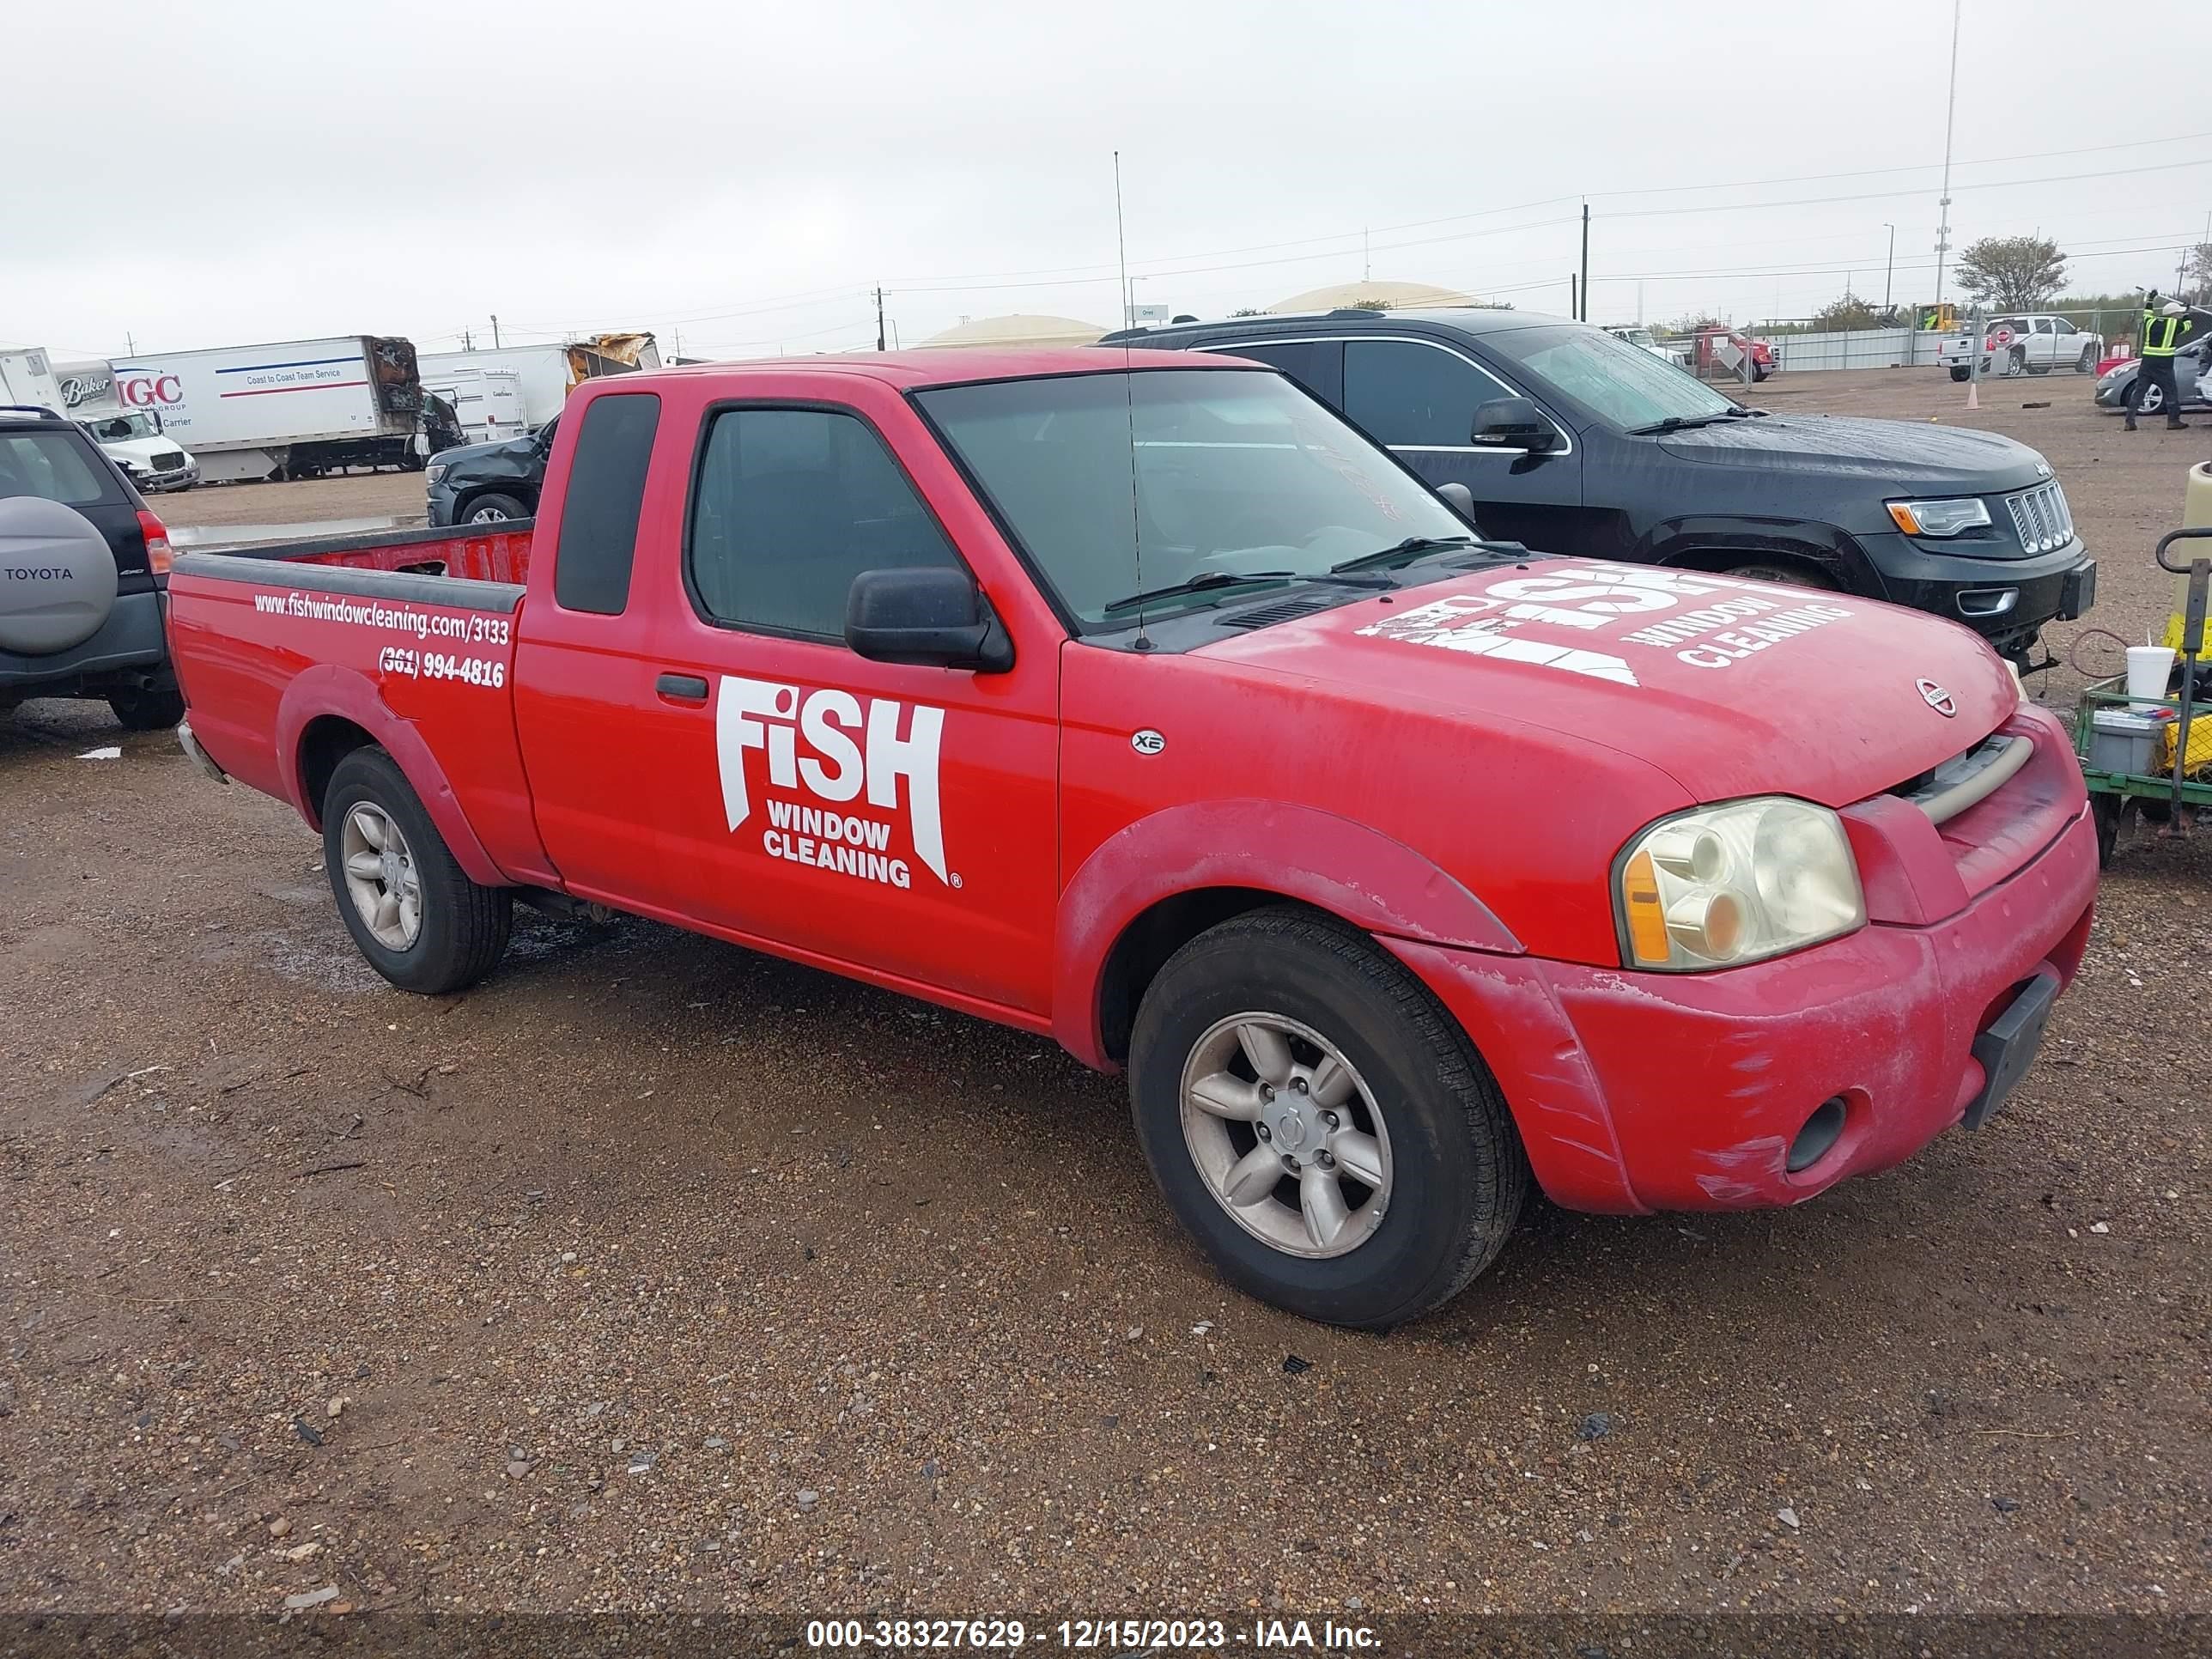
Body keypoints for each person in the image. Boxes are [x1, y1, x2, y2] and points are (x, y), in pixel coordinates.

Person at [2124, 293, 2203, 430]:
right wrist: (2187, 312)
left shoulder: (2150, 322)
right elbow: (2188, 326)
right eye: (2178, 314)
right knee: (2170, 392)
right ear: (2173, 314)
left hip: (2147, 363)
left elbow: (2147, 313)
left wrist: (2150, 299)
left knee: (2139, 392)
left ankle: (2129, 421)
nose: (2179, 316)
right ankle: (2173, 421)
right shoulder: (2174, 324)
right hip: (2164, 364)